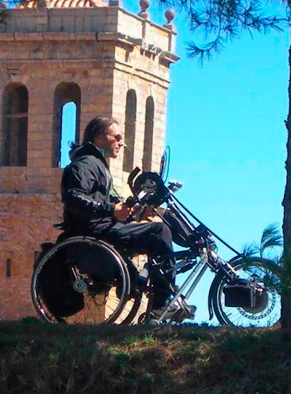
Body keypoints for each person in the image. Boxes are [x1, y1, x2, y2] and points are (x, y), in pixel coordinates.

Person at [61, 116, 193, 321]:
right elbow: (74, 197)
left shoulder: (98, 165)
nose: (122, 143)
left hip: (103, 227)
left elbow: (114, 201)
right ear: (99, 138)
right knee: (159, 232)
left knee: (159, 222)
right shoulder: (85, 164)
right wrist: (111, 210)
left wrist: (138, 212)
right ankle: (163, 300)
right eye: (117, 137)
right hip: (93, 231)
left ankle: (154, 285)